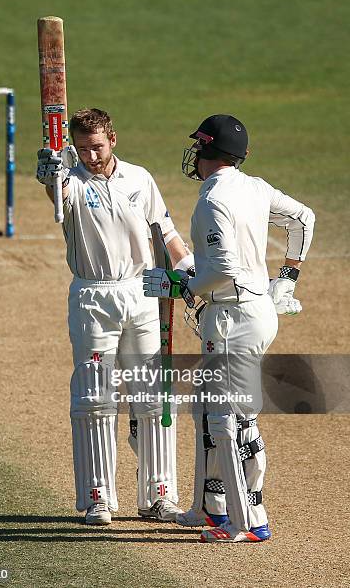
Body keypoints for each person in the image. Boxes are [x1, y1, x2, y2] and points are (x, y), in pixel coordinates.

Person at [143, 114, 315, 542]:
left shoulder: (211, 201)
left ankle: (248, 522)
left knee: (228, 419)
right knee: (208, 409)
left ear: (203, 152)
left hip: (233, 317)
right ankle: (210, 508)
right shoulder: (255, 187)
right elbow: (304, 219)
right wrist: (288, 276)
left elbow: (221, 268)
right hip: (248, 311)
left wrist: (183, 284)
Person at [36, 108, 194, 525]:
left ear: (113, 140)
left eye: (98, 147)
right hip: (93, 295)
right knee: (94, 399)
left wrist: (188, 268)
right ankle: (98, 498)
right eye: (83, 149)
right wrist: (51, 172)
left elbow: (166, 230)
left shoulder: (140, 179)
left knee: (152, 396)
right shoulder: (69, 180)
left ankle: (159, 496)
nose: (91, 156)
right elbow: (58, 196)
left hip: (142, 292)